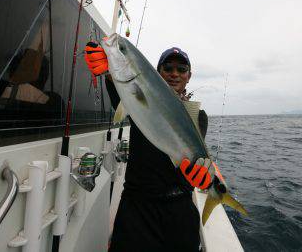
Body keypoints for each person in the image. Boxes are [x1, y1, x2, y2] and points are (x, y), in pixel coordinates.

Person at [85, 43, 211, 252]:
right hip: (137, 207)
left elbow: (196, 158)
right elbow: (122, 88)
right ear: (157, 72)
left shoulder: (198, 116)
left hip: (179, 209)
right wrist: (108, 69)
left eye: (181, 69)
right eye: (167, 68)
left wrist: (204, 174)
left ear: (189, 75)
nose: (174, 74)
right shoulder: (139, 100)